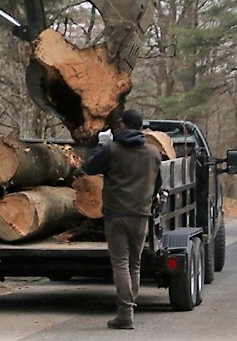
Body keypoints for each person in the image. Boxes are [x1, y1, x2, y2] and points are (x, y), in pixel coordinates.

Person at [83, 108, 162, 330]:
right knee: (134, 264)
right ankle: (128, 309)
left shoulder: (111, 149)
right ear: (142, 127)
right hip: (141, 215)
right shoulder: (154, 153)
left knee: (120, 263)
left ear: (123, 125)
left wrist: (101, 144)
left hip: (116, 214)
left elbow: (88, 167)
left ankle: (125, 314)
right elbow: (158, 184)